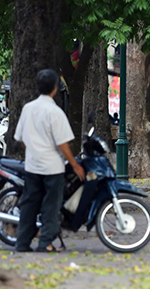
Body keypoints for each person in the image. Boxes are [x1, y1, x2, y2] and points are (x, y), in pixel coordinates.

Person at [14, 69, 85, 252]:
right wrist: (75, 165)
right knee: (51, 206)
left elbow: (21, 138)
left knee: (29, 205)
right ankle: (46, 243)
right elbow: (63, 144)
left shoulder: (28, 108)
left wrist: (33, 149)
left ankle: (22, 243)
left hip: (32, 165)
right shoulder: (55, 112)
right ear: (55, 88)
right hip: (52, 168)